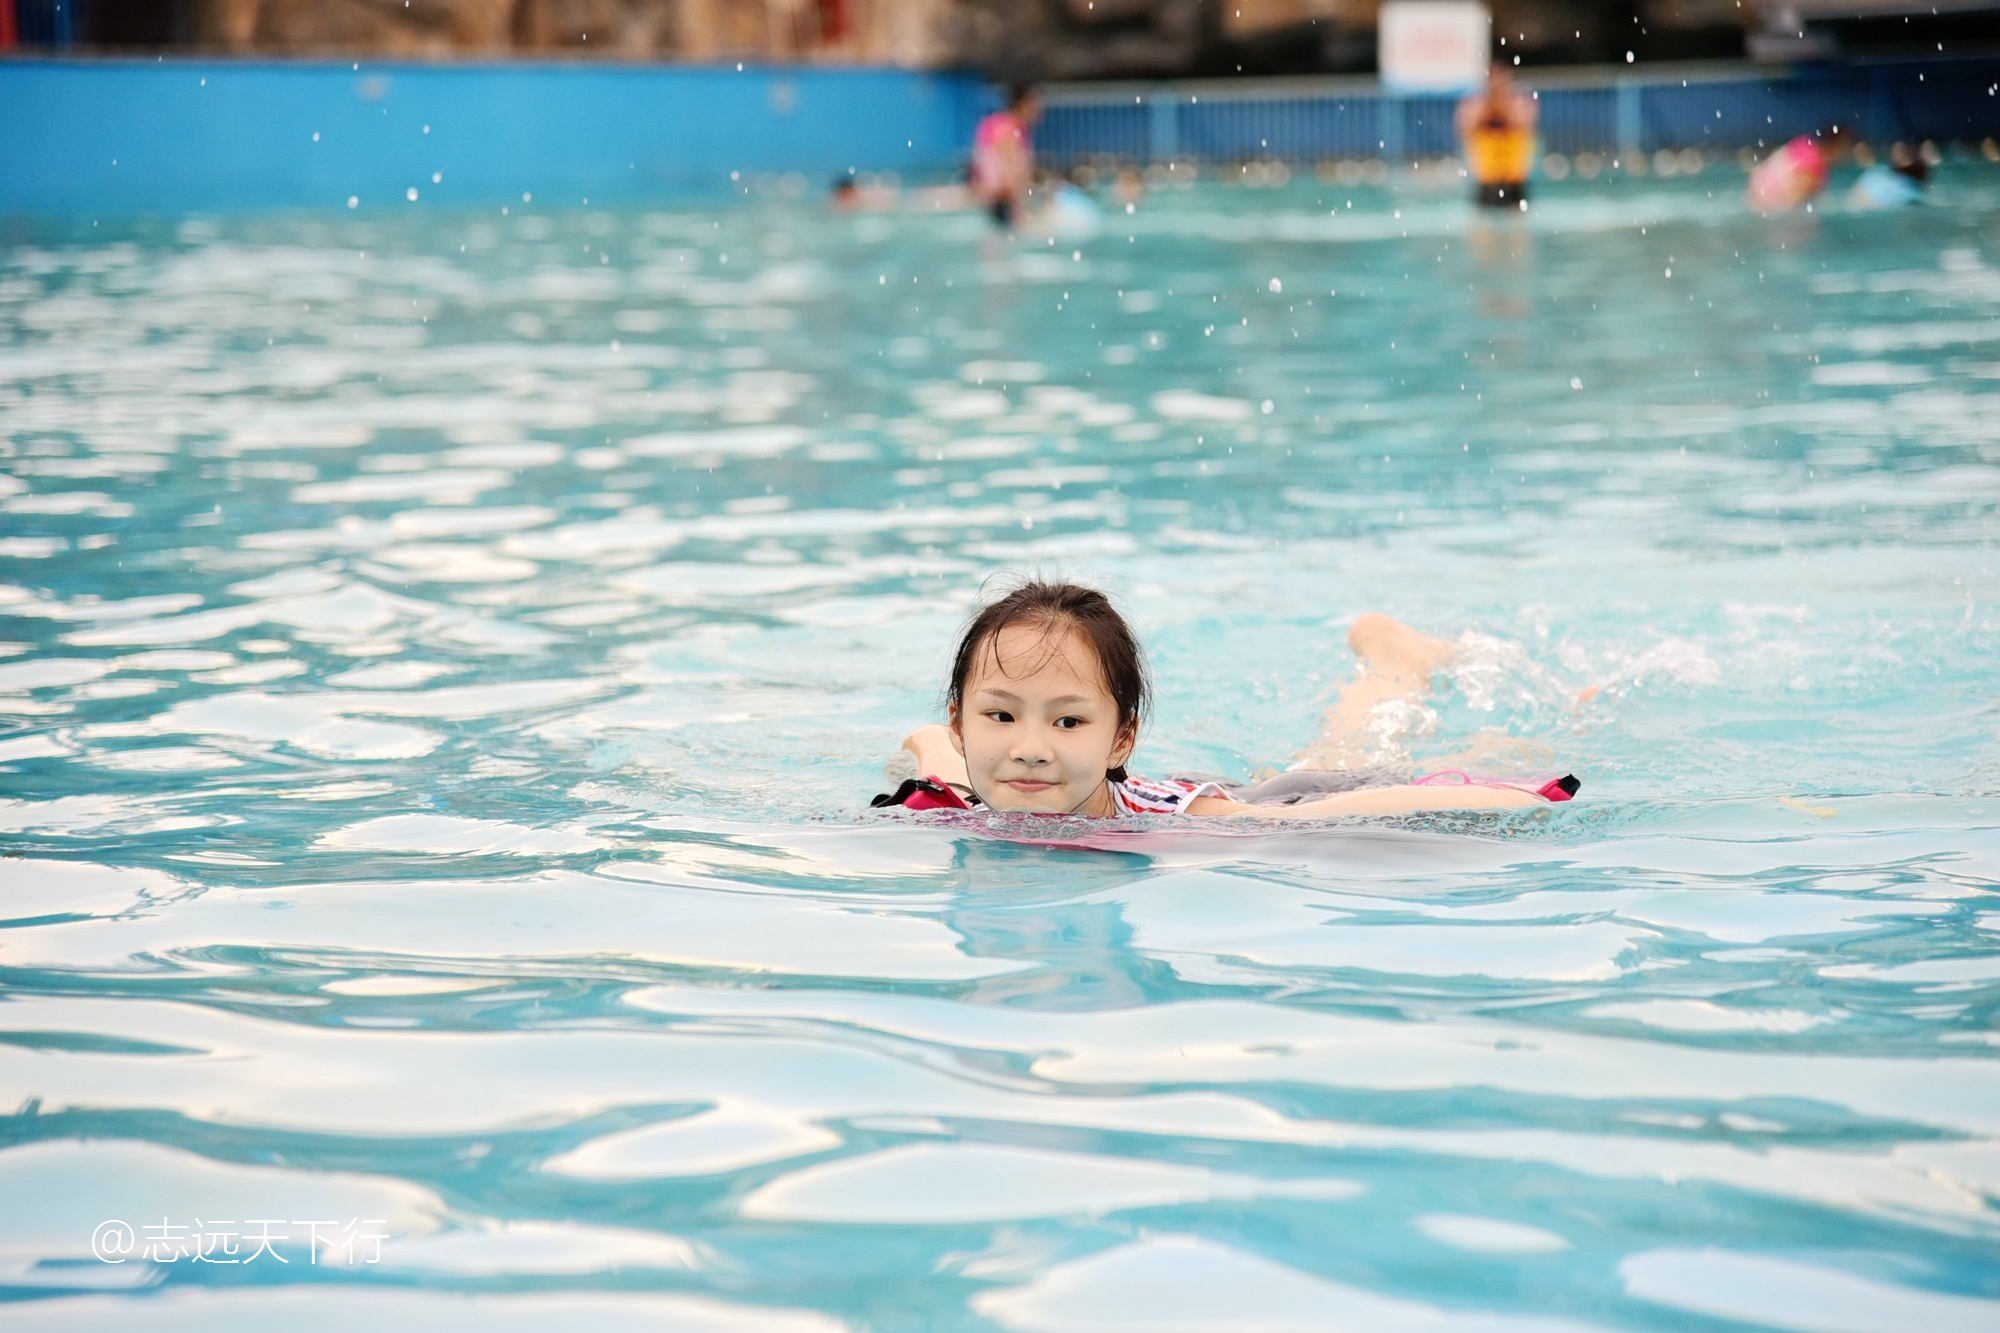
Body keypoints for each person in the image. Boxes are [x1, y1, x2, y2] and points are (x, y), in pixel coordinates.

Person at [879, 580, 1577, 819]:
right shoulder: (969, 784)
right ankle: (1395, 660)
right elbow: (932, 747)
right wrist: (916, 743)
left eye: (1068, 720)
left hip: (1276, 799)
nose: (1029, 744)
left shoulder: (1188, 826)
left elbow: (1343, 813)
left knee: (1356, 760)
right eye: (1000, 714)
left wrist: (1517, 795)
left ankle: (1396, 664)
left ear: (1121, 738)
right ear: (962, 721)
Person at [1456, 65, 1537, 210]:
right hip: (1486, 181)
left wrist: (1503, 101)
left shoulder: (1519, 103)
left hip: (1514, 179)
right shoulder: (1474, 104)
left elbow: (1525, 125)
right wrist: (1489, 102)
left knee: (1516, 224)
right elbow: (1464, 129)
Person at [971, 84, 1043, 228]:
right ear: (1023, 104)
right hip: (1003, 201)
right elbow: (1010, 173)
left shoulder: (995, 123)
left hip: (992, 201)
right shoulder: (1009, 130)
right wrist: (1021, 209)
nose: (1040, 109)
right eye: (1036, 103)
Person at [1746, 125, 1847, 214]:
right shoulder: (1815, 163)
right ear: (1836, 145)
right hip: (1771, 205)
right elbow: (1794, 198)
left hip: (1754, 190)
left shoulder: (1805, 143)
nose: (1845, 153)